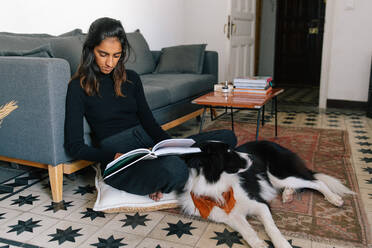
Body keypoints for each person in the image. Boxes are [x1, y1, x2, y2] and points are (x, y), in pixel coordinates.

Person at [64, 17, 237, 201]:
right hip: (120, 160)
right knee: (175, 169)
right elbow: (74, 146)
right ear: (91, 50)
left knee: (226, 138)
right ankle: (184, 169)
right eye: (103, 54)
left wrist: (172, 146)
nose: (110, 63)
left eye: (116, 55)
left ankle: (176, 167)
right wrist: (112, 156)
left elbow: (149, 122)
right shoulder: (78, 87)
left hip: (150, 146)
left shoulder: (131, 78)